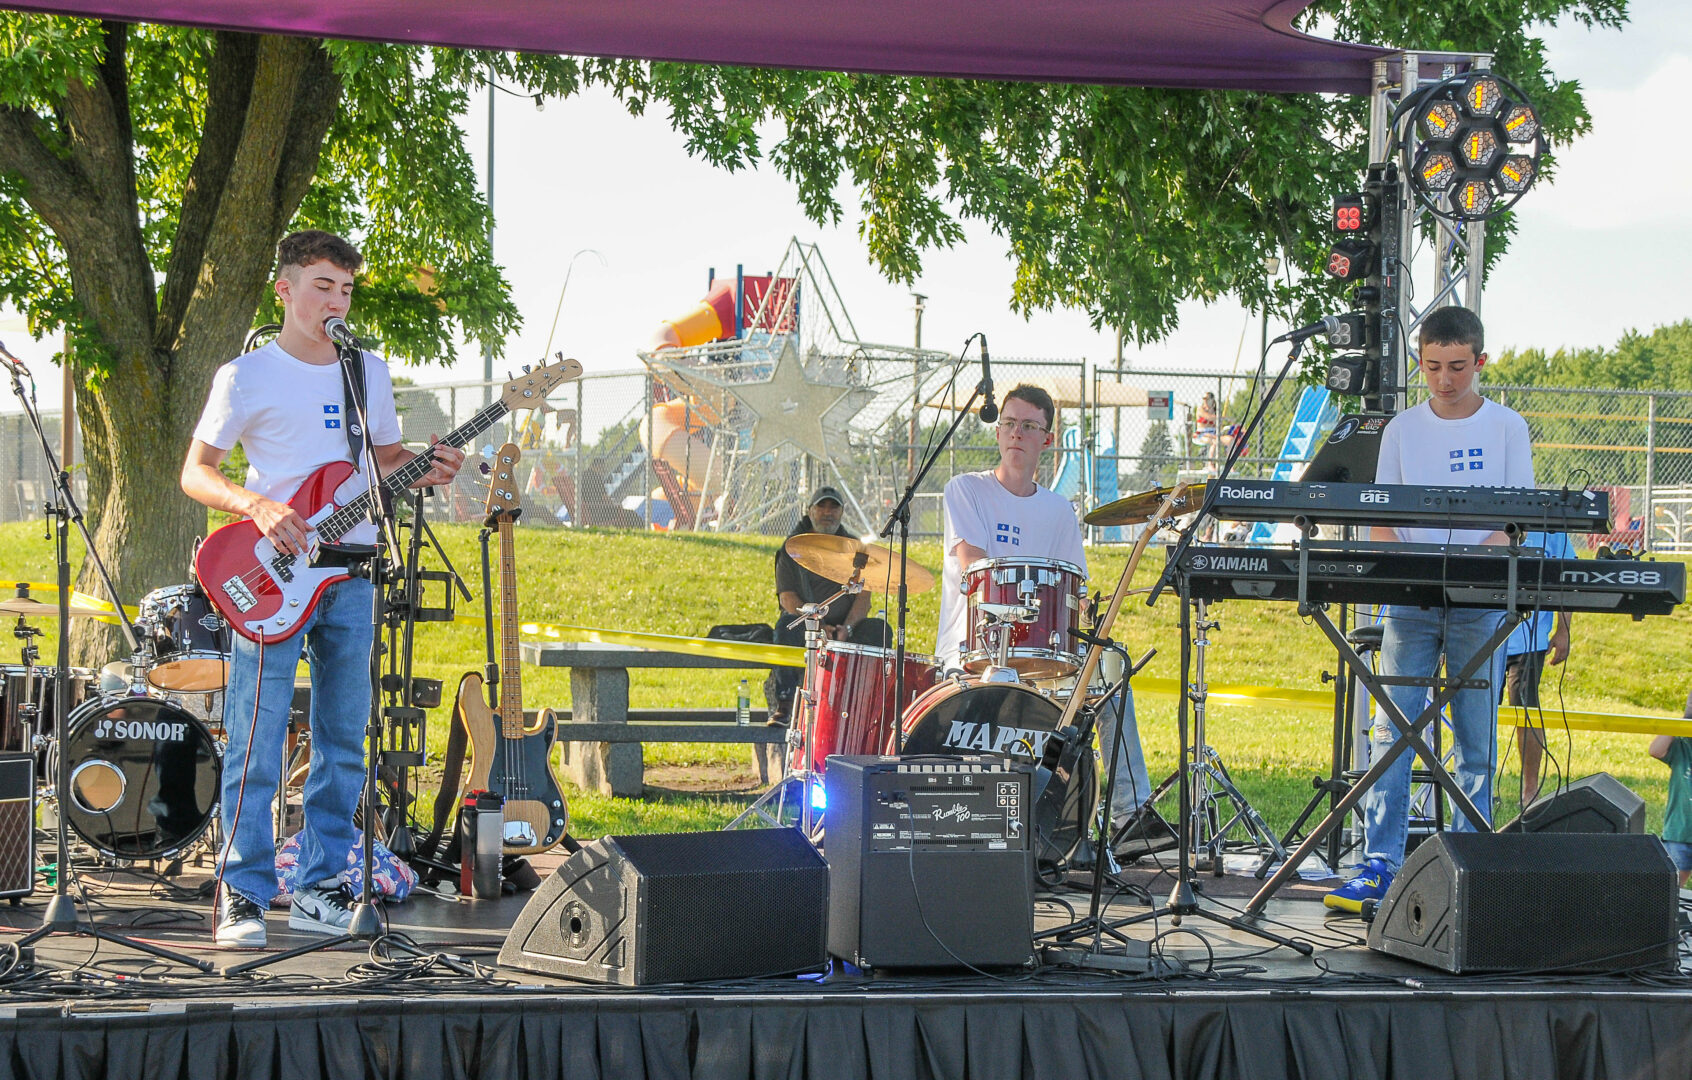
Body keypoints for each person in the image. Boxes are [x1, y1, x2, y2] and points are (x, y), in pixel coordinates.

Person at [181, 230, 465, 946]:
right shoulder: (245, 377)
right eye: (321, 286)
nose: (335, 300)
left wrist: (425, 463)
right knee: (258, 736)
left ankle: (321, 885)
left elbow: (384, 458)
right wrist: (256, 505)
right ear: (285, 290)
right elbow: (196, 472)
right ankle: (242, 894)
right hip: (273, 577)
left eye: (345, 289)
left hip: (353, 570)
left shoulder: (366, 370)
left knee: (345, 741)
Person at [1326, 305, 1535, 912]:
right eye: (1433, 366)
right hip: (1410, 603)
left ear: (1481, 362)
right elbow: (1381, 518)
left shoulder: (1506, 428)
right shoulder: (1401, 430)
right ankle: (1380, 862)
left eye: (1457, 367)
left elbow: (1515, 519)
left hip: (1478, 602)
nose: (1444, 379)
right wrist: (1416, 574)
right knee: (1392, 730)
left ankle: (1471, 865)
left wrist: (1467, 572)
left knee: (1476, 737)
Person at [939, 384, 1152, 832]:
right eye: (1010, 424)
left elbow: (1074, 594)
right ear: (998, 433)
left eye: (1029, 426)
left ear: (1047, 439)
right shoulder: (966, 490)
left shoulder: (1059, 510)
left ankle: (1130, 816)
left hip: (1045, 657)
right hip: (975, 653)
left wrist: (1093, 622)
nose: (1017, 434)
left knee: (1112, 676)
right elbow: (975, 567)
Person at [765, 486, 890, 724]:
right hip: (808, 624)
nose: (827, 512)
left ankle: (873, 708)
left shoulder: (856, 550)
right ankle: (784, 704)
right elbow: (787, 598)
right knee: (786, 626)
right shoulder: (792, 548)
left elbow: (864, 598)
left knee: (880, 629)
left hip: (846, 629)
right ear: (810, 511)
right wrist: (817, 625)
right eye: (821, 506)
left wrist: (848, 629)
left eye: (833, 507)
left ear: (842, 512)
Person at [1501, 530, 1574, 806]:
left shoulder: (1552, 525)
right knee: (1475, 710)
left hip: (1529, 639)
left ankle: (1530, 790)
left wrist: (1564, 630)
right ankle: (1476, 784)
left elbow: (1567, 576)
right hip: (1481, 634)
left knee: (1527, 709)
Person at [1647, 691, 1692, 888]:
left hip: (1680, 833)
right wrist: (1680, 723)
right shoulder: (1682, 748)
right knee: (1672, 885)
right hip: (1679, 833)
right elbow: (1655, 750)